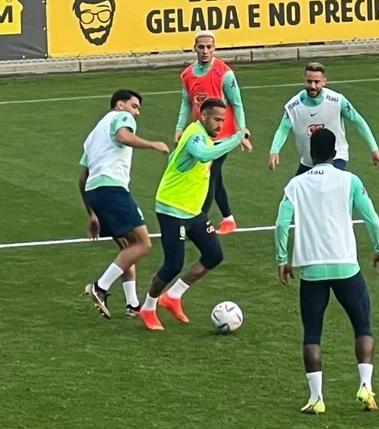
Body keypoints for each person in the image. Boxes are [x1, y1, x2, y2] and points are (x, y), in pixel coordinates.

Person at [275, 128, 379, 414]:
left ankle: (316, 398)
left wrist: (282, 259)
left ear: (311, 155)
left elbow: (281, 224)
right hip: (346, 265)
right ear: (335, 152)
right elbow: (371, 217)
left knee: (312, 334)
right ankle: (365, 386)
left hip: (311, 270)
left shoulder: (296, 184)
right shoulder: (349, 180)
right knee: (362, 326)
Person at [139, 98, 247, 331]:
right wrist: (237, 138)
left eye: (223, 121)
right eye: (217, 119)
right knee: (173, 264)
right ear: (203, 115)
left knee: (213, 254)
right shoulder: (196, 134)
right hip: (172, 209)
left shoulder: (205, 136)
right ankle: (148, 307)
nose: (220, 125)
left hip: (193, 211)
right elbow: (203, 154)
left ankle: (173, 296)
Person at [79, 89, 169, 319]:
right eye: (134, 106)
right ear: (120, 105)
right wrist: (152, 144)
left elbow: (82, 177)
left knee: (128, 247)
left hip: (94, 192)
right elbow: (123, 137)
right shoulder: (122, 118)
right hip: (112, 189)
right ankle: (100, 287)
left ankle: (132, 304)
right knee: (143, 243)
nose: (136, 113)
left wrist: (92, 214)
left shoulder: (92, 135)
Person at [174, 30, 252, 235]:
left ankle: (199, 222)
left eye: (209, 47)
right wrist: (179, 128)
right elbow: (186, 103)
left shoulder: (224, 73)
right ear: (195, 48)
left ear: (214, 48)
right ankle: (228, 219)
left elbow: (237, 103)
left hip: (222, 135)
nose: (205, 50)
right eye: (201, 47)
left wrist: (241, 132)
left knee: (210, 175)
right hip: (201, 134)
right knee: (214, 177)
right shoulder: (187, 74)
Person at [268, 62, 379, 175]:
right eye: (309, 81)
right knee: (294, 191)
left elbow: (358, 121)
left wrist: (374, 149)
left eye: (317, 82)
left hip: (336, 157)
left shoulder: (337, 100)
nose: (313, 86)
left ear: (324, 81)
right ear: (304, 80)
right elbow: (283, 129)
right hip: (308, 161)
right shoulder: (294, 106)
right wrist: (274, 151)